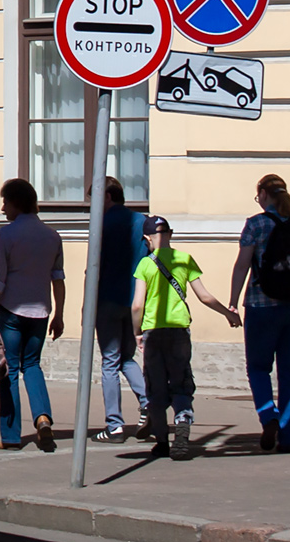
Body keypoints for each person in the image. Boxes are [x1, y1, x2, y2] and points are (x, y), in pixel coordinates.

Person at [229, 174, 290, 454]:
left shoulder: (255, 224)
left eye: (258, 195)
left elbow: (242, 265)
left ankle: (268, 416)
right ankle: (289, 438)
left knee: (258, 368)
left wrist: (233, 303)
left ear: (264, 195)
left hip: (262, 307)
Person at [134, 215, 241, 460]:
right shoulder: (185, 260)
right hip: (179, 331)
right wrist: (228, 313)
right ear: (170, 235)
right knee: (181, 383)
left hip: (153, 332)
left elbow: (137, 305)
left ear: (146, 239)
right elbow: (204, 296)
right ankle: (182, 423)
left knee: (156, 389)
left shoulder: (144, 265)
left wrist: (137, 333)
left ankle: (162, 441)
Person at [0, 178, 66, 452]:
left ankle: (11, 436)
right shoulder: (52, 236)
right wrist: (58, 314)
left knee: (8, 370)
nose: (3, 208)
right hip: (41, 313)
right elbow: (57, 278)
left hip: (10, 311)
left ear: (16, 203)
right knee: (32, 365)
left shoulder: (5, 236)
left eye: (6, 202)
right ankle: (43, 417)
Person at [90, 177, 153, 443]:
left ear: (107, 196)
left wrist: (86, 305)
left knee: (110, 361)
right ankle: (148, 402)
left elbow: (94, 266)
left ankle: (114, 424)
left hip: (107, 300)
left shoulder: (101, 224)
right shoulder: (140, 222)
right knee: (127, 357)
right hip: (134, 301)